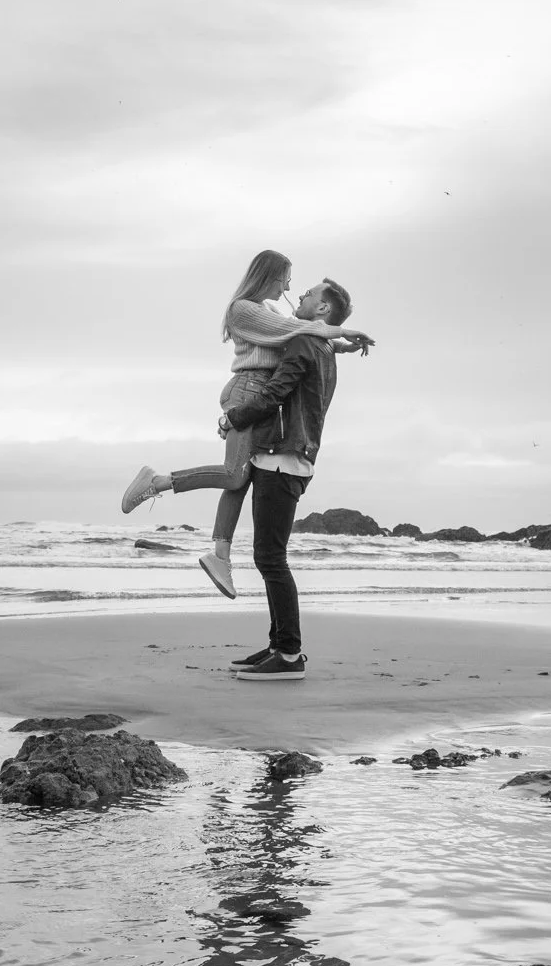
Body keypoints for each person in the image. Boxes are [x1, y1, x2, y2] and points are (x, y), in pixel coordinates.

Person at [121, 251, 372, 600]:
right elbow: (293, 329)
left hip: (258, 395)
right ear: (269, 276)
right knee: (235, 475)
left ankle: (220, 555)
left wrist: (339, 345)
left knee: (241, 478)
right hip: (248, 390)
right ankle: (158, 482)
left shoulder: (269, 310)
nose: (290, 287)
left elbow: (299, 333)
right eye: (286, 278)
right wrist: (341, 331)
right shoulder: (243, 309)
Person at [217, 277, 351, 679]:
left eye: (310, 293)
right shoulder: (324, 346)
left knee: (271, 559)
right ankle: (279, 643)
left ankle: (289, 655)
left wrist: (233, 416)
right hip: (293, 457)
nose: (303, 295)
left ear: (323, 309)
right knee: (269, 557)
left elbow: (275, 392)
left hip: (283, 459)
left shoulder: (304, 343)